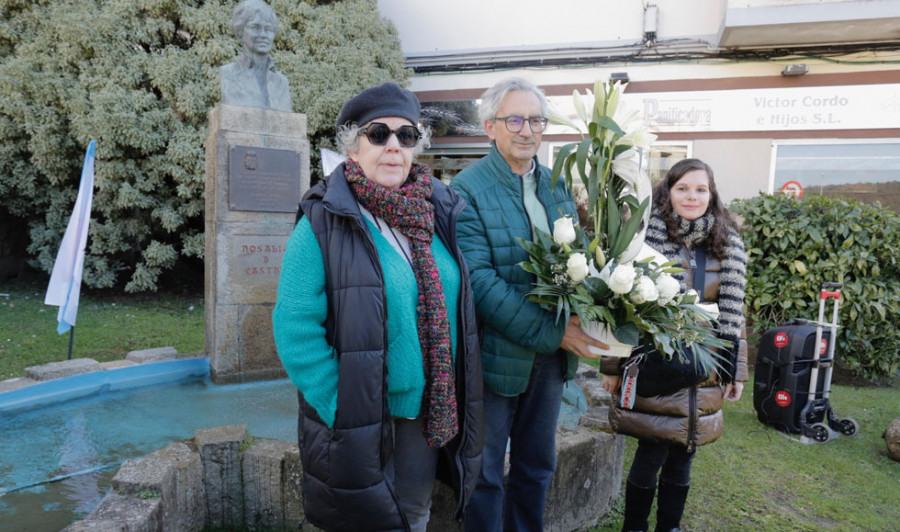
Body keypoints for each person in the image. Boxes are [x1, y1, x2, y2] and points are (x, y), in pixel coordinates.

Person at [272, 82, 483, 531]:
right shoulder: (322, 221)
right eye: (378, 133)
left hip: (425, 408)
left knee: (413, 514)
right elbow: (294, 328)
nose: (393, 146)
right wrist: (342, 408)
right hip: (356, 416)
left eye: (406, 136)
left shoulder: (435, 213)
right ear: (353, 146)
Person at [449, 77, 608, 532]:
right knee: (485, 474)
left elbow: (573, 263)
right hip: (497, 360)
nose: (527, 130)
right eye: (514, 119)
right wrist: (556, 331)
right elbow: (478, 283)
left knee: (536, 467)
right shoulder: (466, 190)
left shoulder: (555, 185)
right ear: (490, 127)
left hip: (550, 360)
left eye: (536, 119)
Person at [601, 158, 749, 532]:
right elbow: (620, 306)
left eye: (701, 189)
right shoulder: (643, 238)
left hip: (705, 370)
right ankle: (634, 527)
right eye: (682, 188)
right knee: (650, 453)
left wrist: (736, 371)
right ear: (668, 192)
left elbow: (736, 315)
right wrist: (612, 366)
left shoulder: (728, 244)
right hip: (656, 365)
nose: (692, 196)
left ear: (712, 194)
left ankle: (670, 527)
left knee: (685, 454)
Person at [220, 0, 293, 112]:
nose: (263, 35)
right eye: (255, 27)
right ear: (240, 33)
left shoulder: (282, 83)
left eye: (268, 29)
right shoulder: (227, 74)